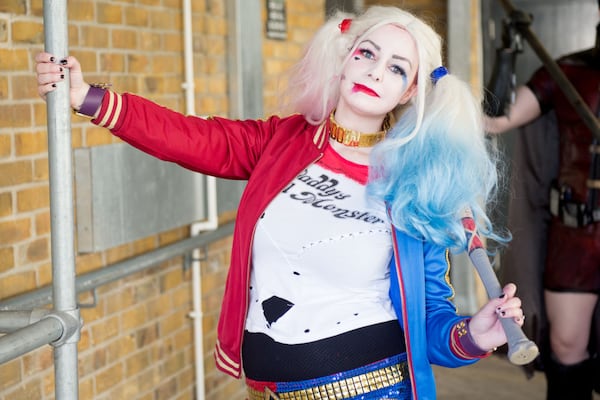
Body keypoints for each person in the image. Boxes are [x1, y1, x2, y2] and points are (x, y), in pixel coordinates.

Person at [36, 6, 524, 400]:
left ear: (410, 89)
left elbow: (431, 322)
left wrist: (474, 336)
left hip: (371, 389)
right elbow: (192, 137)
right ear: (346, 56)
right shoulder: (282, 142)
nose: (375, 72)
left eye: (396, 68)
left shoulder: (415, 184)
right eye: (367, 54)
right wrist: (88, 98)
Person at [485, 2, 600, 399]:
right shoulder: (566, 73)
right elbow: (494, 118)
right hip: (576, 236)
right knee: (567, 346)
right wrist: (507, 52)